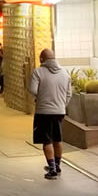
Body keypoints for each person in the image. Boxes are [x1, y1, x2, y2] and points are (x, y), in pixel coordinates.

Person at [27, 48, 72, 178]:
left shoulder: (38, 72)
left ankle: (51, 169)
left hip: (44, 111)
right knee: (57, 138)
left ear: (42, 59)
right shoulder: (65, 73)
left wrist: (40, 98)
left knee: (47, 140)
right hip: (59, 111)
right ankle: (57, 166)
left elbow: (33, 90)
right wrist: (62, 105)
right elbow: (69, 94)